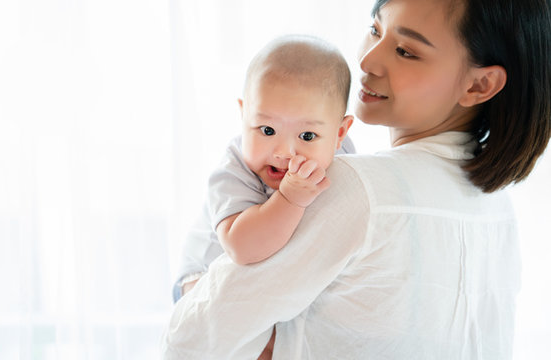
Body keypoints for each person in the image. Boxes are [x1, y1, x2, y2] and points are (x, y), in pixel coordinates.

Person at [163, 0, 551, 358]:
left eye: (405, 51)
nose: (367, 61)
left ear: (478, 85)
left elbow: (190, 339)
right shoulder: (497, 205)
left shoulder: (351, 187)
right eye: (376, 29)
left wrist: (203, 295)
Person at [172, 35, 356, 303]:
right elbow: (242, 248)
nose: (283, 152)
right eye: (267, 130)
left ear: (339, 134)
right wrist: (289, 198)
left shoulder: (343, 157)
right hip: (203, 276)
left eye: (307, 136)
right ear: (244, 115)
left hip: (267, 273)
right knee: (235, 324)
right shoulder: (234, 169)